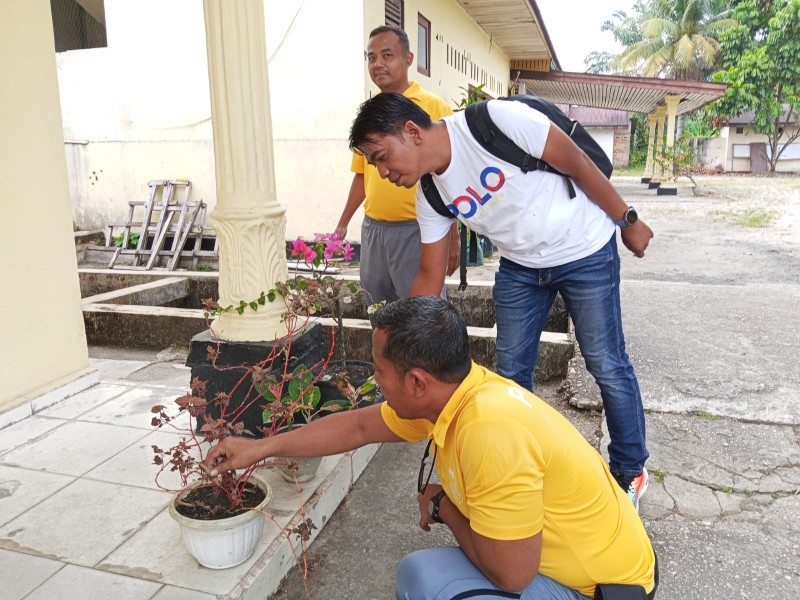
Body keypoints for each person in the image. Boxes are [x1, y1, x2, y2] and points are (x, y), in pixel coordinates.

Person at [202, 296, 657, 599]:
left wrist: (443, 506)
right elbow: (358, 427)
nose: (374, 381)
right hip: (590, 565)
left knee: (426, 581)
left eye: (379, 373)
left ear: (416, 382)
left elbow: (512, 574)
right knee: (421, 574)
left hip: (606, 590)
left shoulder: (490, 432)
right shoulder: (455, 393)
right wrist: (259, 448)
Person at [347, 92, 655, 509]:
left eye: (381, 156)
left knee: (606, 363)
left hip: (583, 248)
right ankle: (524, 472)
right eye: (373, 164)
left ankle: (627, 473)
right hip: (521, 267)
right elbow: (428, 274)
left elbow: (578, 163)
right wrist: (399, 343)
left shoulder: (496, 121)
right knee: (510, 376)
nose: (382, 172)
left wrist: (627, 219)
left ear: (412, 132)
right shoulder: (432, 195)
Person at [334, 25, 459, 305]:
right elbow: (361, 177)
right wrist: (342, 224)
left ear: (408, 59)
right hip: (374, 230)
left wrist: (453, 236)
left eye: (387, 55)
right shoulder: (369, 115)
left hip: (418, 229)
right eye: (371, 57)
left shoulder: (433, 107)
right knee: (378, 311)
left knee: (422, 315)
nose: (378, 64)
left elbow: (448, 177)